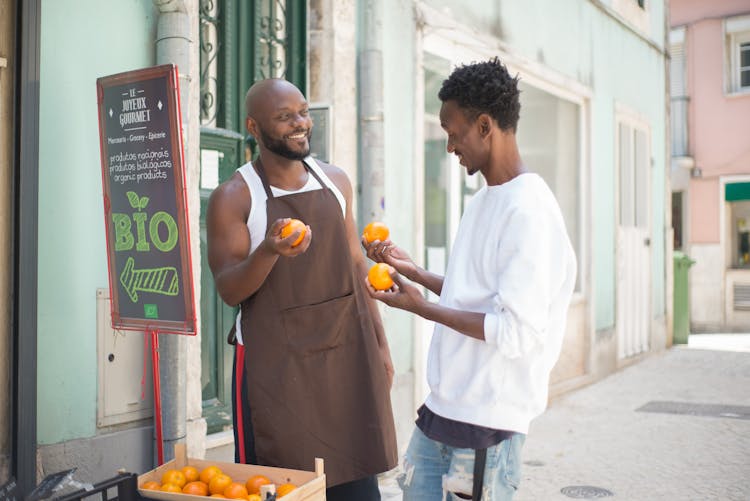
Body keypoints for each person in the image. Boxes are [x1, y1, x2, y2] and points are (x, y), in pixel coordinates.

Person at [363, 58, 577, 500]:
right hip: (443, 410)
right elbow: (479, 296)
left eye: (452, 132)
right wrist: (416, 273)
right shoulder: (485, 200)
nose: (449, 146)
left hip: (488, 427)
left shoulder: (529, 210)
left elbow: (514, 331)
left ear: (484, 126)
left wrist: (421, 308)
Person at [206, 78, 398, 500]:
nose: (300, 124)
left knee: (357, 486)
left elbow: (354, 266)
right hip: (275, 368)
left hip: (345, 356)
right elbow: (228, 289)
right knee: (280, 485)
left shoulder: (335, 181)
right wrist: (269, 251)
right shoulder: (235, 197)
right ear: (254, 128)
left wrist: (380, 348)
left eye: (303, 112)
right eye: (284, 116)